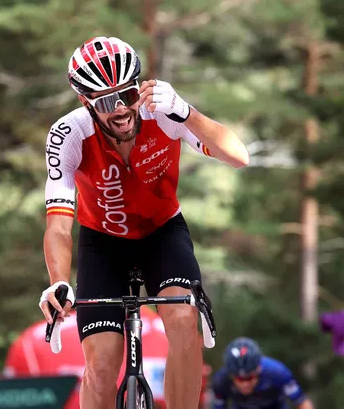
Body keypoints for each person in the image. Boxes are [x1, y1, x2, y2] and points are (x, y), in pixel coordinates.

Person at [38, 36, 249, 409]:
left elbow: (238, 156)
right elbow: (58, 224)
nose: (120, 108)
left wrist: (187, 113)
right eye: (105, 101)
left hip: (162, 233)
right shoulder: (68, 134)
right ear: (84, 102)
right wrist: (57, 281)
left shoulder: (163, 111)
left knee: (184, 322)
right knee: (101, 367)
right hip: (102, 242)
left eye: (128, 94)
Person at [211, 337, 314, 409]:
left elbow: (302, 402)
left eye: (249, 377)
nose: (245, 384)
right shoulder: (221, 380)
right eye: (239, 379)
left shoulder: (277, 372)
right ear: (231, 375)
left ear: (258, 369)